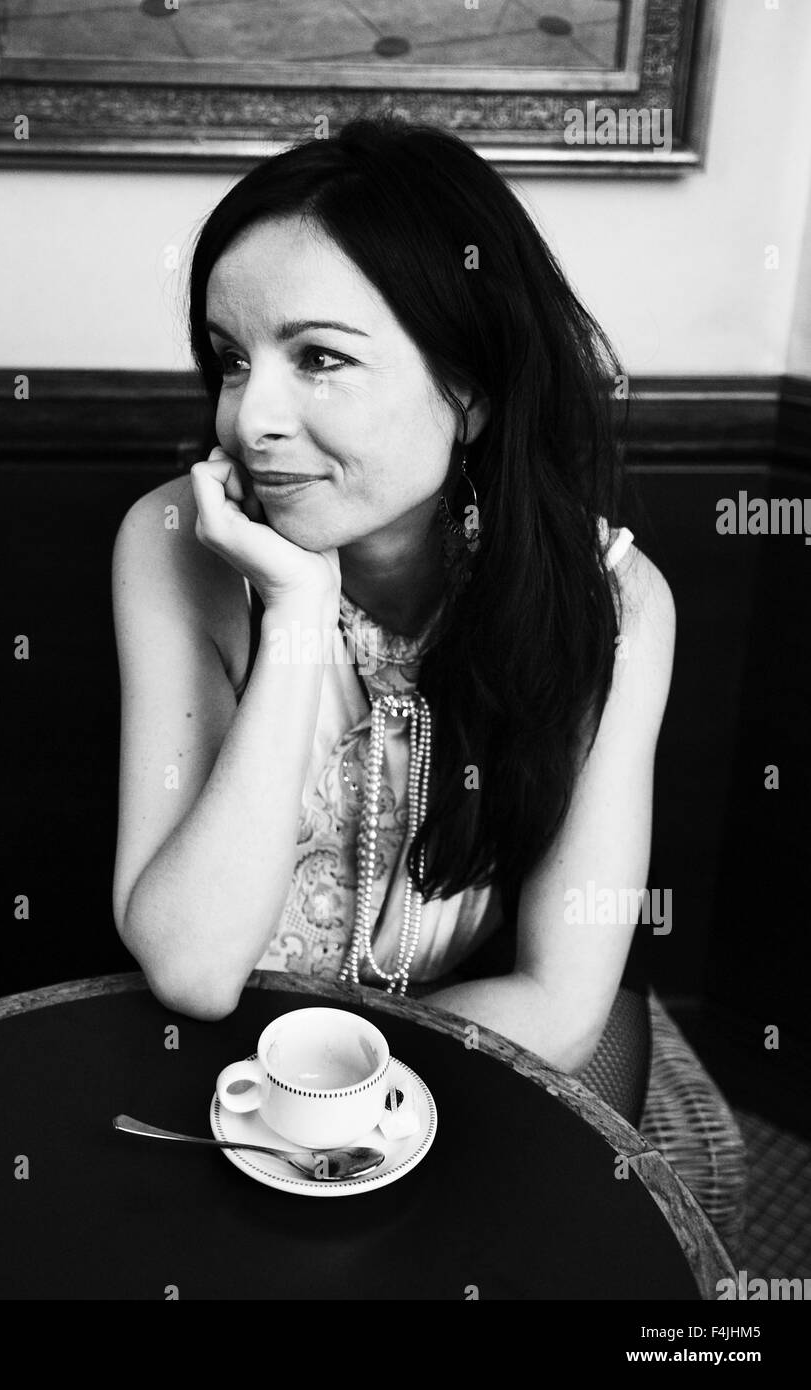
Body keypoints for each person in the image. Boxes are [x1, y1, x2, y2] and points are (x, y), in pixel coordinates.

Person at [111, 115, 744, 1246]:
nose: (251, 418)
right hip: (224, 1065)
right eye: (230, 358)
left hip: (473, 1042)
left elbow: (561, 989)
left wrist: (351, 1094)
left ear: (470, 389)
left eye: (319, 357)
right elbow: (192, 967)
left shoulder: (617, 604)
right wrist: (299, 617)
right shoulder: (173, 543)